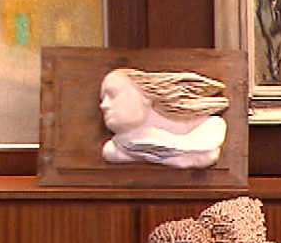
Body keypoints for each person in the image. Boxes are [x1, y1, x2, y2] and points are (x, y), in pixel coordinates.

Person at [97, 68, 228, 169]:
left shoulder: (208, 130)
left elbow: (206, 156)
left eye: (113, 95)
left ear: (145, 97)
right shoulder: (116, 149)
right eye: (103, 99)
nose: (104, 105)